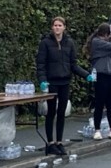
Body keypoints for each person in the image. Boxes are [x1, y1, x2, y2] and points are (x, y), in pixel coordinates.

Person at [36, 16, 91, 154]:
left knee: (61, 112)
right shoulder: (45, 43)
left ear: (64, 27)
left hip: (65, 81)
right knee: (51, 112)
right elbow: (41, 64)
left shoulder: (69, 43)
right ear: (52, 27)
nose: (57, 28)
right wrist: (42, 80)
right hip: (51, 82)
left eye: (60, 25)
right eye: (55, 25)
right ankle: (50, 143)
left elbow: (73, 64)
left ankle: (59, 141)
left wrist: (86, 75)